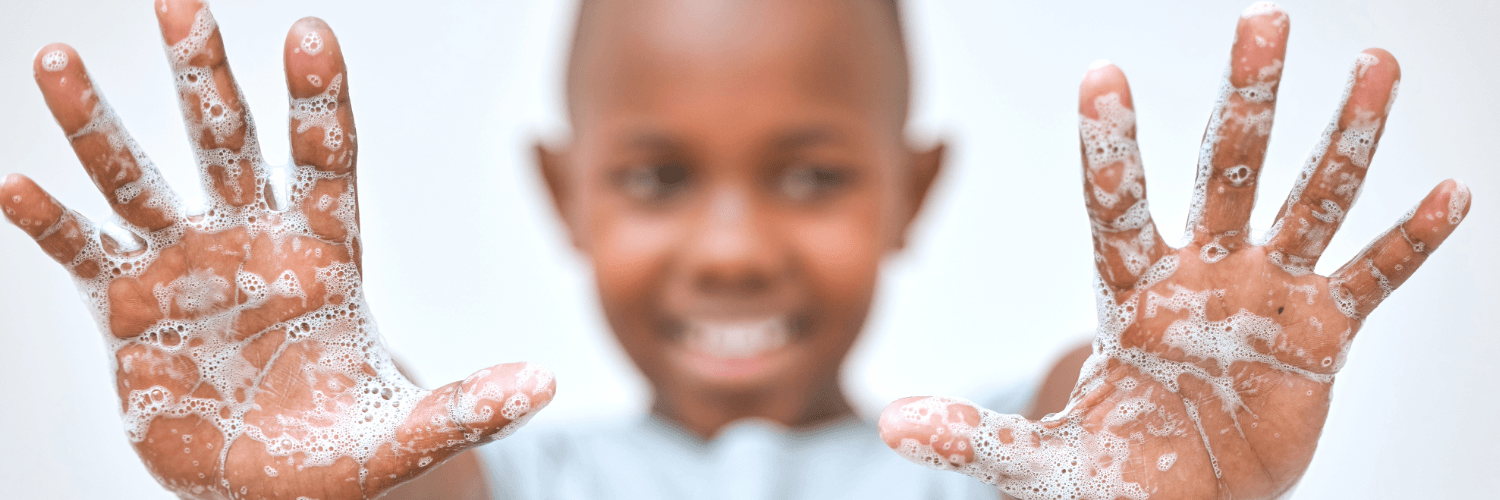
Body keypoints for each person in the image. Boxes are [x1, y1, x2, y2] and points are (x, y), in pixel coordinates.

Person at [0, 0, 1469, 499]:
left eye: (811, 174)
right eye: (655, 177)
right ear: (564, 195)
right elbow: (435, 487)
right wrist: (348, 484)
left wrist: (1161, 419)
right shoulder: (516, 479)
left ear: (914, 189)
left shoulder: (979, 469)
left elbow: (1095, 434)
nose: (731, 247)